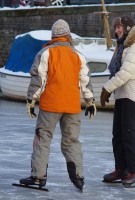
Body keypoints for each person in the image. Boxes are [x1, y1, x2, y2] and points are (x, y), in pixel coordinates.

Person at [19, 19, 96, 191]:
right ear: (68, 35)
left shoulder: (45, 53)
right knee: (71, 141)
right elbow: (85, 80)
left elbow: (39, 79)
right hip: (72, 105)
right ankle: (79, 177)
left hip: (50, 105)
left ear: (53, 35)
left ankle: (38, 176)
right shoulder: (78, 55)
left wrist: (31, 100)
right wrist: (90, 101)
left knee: (43, 139)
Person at [100, 16, 135, 188]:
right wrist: (112, 88)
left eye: (119, 27)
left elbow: (126, 72)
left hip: (132, 92)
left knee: (128, 133)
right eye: (115, 28)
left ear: (128, 28)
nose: (116, 30)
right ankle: (121, 169)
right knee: (118, 134)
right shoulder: (123, 46)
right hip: (122, 92)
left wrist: (107, 88)